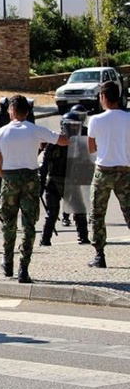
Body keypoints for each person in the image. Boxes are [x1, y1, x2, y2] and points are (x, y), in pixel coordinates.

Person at [0, 95, 67, 283]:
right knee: (29, 223)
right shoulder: (36, 130)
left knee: (8, 221)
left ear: (11, 111)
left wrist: (8, 179)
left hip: (9, 177)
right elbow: (62, 140)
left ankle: (7, 261)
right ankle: (23, 268)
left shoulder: (1, 132)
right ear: (27, 112)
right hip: (30, 178)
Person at [86, 81, 130, 268]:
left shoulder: (95, 120)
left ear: (103, 97)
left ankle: (99, 255)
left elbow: (91, 148)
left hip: (103, 171)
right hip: (126, 170)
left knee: (97, 214)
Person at [38, 112, 90, 247]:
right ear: (63, 126)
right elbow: (44, 166)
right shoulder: (53, 143)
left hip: (72, 182)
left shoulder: (80, 144)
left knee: (79, 210)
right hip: (54, 182)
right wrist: (41, 186)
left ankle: (83, 237)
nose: (73, 130)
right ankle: (45, 239)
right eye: (70, 126)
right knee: (52, 213)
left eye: (75, 127)